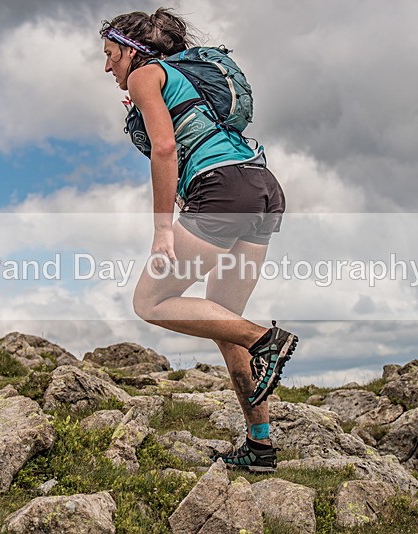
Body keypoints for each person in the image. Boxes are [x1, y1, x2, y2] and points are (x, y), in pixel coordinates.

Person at [100, 8, 298, 473]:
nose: (107, 67)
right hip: (261, 187)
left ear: (131, 50)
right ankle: (261, 446)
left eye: (110, 55)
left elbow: (165, 149)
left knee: (150, 301)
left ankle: (269, 339)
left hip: (221, 189)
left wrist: (163, 228)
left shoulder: (145, 75)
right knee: (222, 323)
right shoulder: (181, 78)